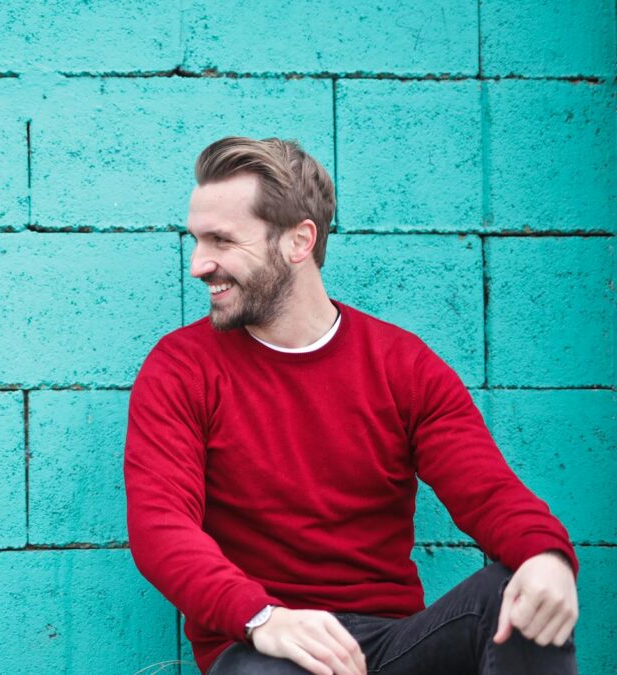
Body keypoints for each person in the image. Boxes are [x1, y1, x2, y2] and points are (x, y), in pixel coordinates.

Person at [123, 136, 580, 675]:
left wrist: (547, 556)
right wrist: (262, 618)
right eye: (196, 241)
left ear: (299, 240)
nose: (199, 264)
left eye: (221, 241)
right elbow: (160, 526)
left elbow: (486, 488)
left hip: (394, 645)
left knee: (520, 594)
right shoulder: (182, 367)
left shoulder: (401, 365)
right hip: (266, 647)